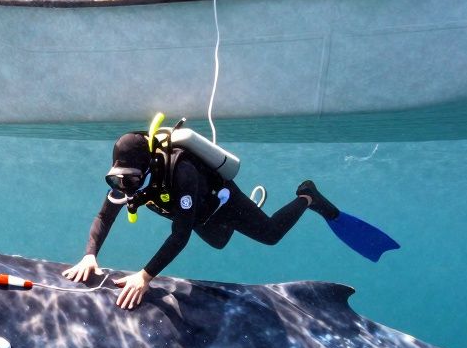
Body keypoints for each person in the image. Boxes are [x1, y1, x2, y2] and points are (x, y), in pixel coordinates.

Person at [62, 131, 339, 310]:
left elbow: (179, 235)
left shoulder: (182, 172)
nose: (125, 187)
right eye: (117, 179)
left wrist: (145, 277)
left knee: (270, 234)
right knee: (218, 242)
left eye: (132, 179)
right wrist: (90, 256)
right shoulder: (127, 180)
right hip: (197, 214)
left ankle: (307, 197)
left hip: (221, 202)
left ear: (149, 168)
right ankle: (243, 220)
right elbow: (103, 216)